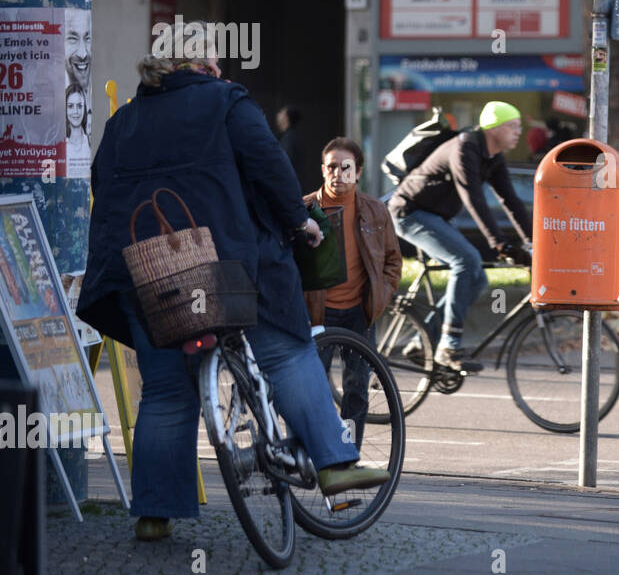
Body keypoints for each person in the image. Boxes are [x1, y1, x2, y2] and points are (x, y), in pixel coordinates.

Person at [78, 48, 389, 542]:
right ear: (198, 69)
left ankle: (155, 513)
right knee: (286, 352)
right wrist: (298, 221)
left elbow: (102, 186)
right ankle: (334, 464)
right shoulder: (226, 102)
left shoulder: (123, 123)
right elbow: (270, 167)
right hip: (228, 270)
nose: (222, 72)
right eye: (214, 64)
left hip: (150, 275)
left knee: (163, 391)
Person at [388, 100, 531, 370]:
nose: (519, 132)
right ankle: (449, 345)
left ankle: (423, 341)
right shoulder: (465, 147)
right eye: (513, 126)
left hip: (434, 216)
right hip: (408, 212)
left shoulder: (494, 157)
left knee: (478, 279)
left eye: (520, 127)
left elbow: (511, 201)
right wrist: (499, 243)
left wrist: (532, 242)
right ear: (494, 127)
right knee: (466, 260)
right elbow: (474, 199)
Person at [302, 136, 402, 448]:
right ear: (322, 170)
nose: (338, 174)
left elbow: (392, 261)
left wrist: (379, 298)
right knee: (312, 388)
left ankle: (347, 451)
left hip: (359, 314)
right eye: (331, 167)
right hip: (316, 314)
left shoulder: (374, 211)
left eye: (345, 168)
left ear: (358, 172)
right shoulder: (303, 210)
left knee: (357, 387)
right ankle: (318, 449)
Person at [276, 105, 309, 193]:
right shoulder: (292, 136)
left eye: (281, 112)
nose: (278, 115)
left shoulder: (289, 138)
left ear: (286, 118)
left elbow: (284, 162)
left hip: (289, 188)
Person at [65, 83, 91, 174]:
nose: (75, 111)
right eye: (70, 106)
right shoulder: (60, 146)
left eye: (79, 106)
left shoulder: (90, 142)